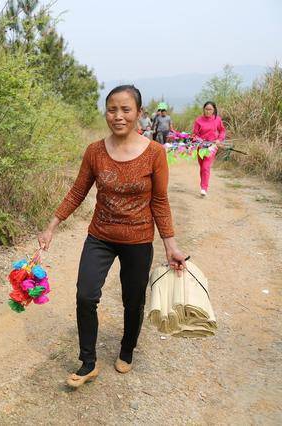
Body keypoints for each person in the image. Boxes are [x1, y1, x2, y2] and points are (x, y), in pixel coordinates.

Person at [38, 85, 187, 388]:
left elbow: (160, 201)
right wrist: (52, 225)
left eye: (126, 110)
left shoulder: (155, 153)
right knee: (85, 295)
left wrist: (170, 245)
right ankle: (88, 362)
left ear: (139, 113)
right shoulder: (94, 151)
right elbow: (78, 191)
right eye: (112, 110)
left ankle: (127, 349)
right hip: (100, 236)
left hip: (138, 239)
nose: (118, 116)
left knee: (133, 300)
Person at [192, 101, 226, 197]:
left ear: (214, 110)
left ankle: (204, 188)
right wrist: (198, 140)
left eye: (210, 109)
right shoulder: (198, 120)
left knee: (206, 166)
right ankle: (203, 185)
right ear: (204, 109)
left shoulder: (217, 119)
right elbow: (195, 134)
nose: (208, 111)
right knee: (202, 167)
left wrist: (219, 139)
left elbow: (222, 131)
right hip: (201, 146)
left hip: (212, 146)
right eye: (206, 109)